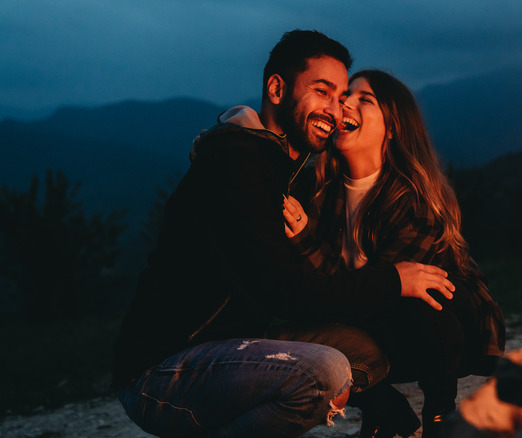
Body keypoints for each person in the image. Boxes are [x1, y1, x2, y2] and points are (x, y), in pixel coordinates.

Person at [112, 30, 455, 438]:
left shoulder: (277, 164)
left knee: (363, 353)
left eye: (341, 96)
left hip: (229, 344)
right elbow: (288, 292)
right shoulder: (239, 165)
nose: (336, 110)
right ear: (277, 88)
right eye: (322, 92)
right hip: (163, 370)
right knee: (325, 371)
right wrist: (393, 280)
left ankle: (387, 417)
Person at [282, 70, 506, 438]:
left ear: (392, 127)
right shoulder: (319, 191)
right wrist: (226, 147)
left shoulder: (413, 200)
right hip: (370, 327)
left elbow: (379, 290)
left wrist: (307, 242)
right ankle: (387, 413)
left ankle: (440, 413)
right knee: (301, 333)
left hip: (441, 332)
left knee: (422, 297)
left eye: (363, 99)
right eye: (342, 96)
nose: (345, 104)